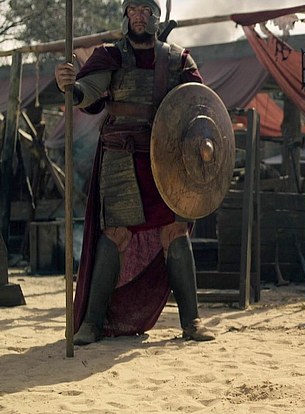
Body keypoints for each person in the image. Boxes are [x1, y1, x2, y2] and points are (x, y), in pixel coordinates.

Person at [54, 0, 214, 345]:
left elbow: (199, 105)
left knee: (175, 231)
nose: (139, 16)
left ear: (156, 17)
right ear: (126, 17)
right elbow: (87, 93)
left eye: (145, 10)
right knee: (115, 234)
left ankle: (192, 321)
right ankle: (92, 323)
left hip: (166, 161)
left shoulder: (178, 60)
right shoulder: (110, 55)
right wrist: (70, 86)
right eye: (133, 10)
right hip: (121, 155)